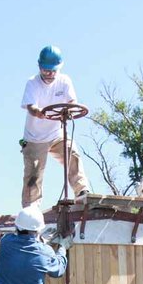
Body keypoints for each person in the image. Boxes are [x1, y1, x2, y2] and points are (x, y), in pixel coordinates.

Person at [20, 45, 90, 208]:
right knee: (34, 173)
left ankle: (81, 191)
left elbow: (72, 101)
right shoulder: (33, 83)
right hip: (35, 137)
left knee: (72, 153)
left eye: (53, 71)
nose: (49, 74)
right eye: (46, 70)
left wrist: (70, 110)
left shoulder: (64, 81)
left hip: (56, 134)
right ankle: (31, 208)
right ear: (39, 67)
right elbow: (31, 106)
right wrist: (39, 112)